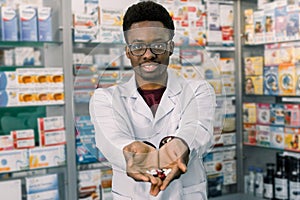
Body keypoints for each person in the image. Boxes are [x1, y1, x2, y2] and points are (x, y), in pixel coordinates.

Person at [89, 1, 216, 199]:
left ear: (171, 48)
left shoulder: (198, 90)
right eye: (138, 46)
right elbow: (110, 139)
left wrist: (182, 144)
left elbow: (198, 129)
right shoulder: (105, 98)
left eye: (157, 45)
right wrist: (128, 151)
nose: (148, 55)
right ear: (128, 51)